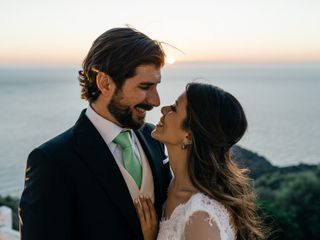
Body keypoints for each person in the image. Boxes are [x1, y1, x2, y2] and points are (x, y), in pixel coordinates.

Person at [19, 27, 172, 240]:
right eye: (145, 86)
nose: (155, 101)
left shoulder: (153, 138)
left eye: (156, 86)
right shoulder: (53, 161)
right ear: (105, 83)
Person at [134, 83, 266, 240]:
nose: (164, 109)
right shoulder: (172, 184)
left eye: (174, 109)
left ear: (189, 136)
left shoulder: (201, 216)